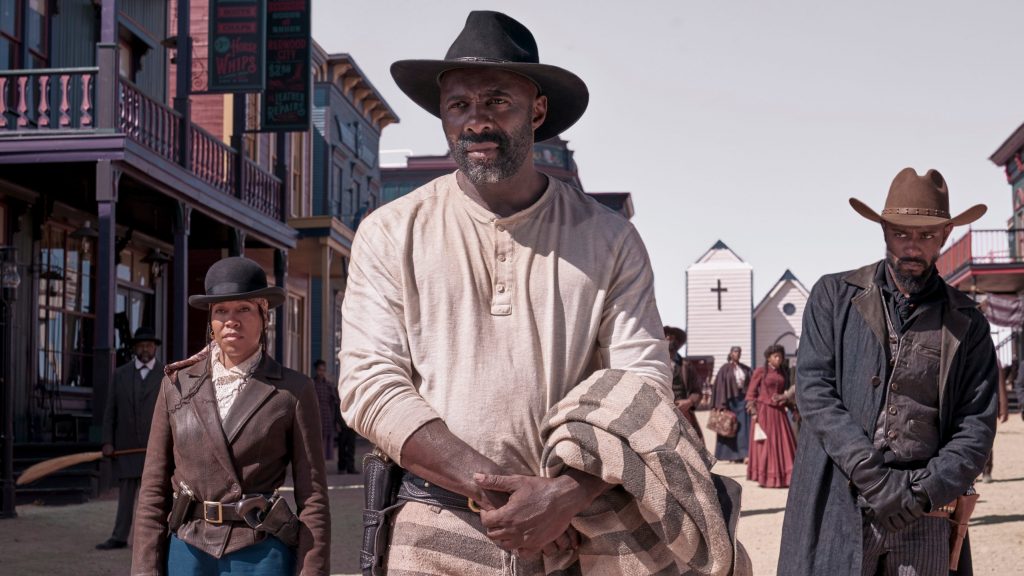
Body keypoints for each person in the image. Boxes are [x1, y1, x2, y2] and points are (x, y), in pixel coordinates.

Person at [340, 11, 741, 575]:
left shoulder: (607, 237)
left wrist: (561, 497)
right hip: (433, 525)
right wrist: (497, 493)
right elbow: (369, 386)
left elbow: (642, 386)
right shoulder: (391, 231)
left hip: (577, 529)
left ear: (537, 110)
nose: (476, 121)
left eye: (497, 101)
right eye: (459, 105)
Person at [778, 168, 998, 576]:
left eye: (926, 236)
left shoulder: (968, 322)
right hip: (840, 503)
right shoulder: (832, 297)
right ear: (883, 231)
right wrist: (875, 479)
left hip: (924, 515)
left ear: (946, 234)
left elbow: (977, 424)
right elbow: (815, 392)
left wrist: (924, 492)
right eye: (901, 233)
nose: (912, 247)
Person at [133, 257, 330, 575]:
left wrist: (312, 570)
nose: (231, 320)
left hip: (260, 550)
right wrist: (145, 570)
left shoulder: (293, 390)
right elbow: (153, 492)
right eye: (221, 310)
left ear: (264, 315)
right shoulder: (176, 385)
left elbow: (314, 498)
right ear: (211, 321)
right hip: (188, 549)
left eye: (244, 309)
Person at [95, 327, 164, 551]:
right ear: (134, 348)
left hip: (155, 448)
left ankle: (157, 539)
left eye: (149, 345)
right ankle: (119, 536)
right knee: (125, 497)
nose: (145, 349)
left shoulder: (166, 374)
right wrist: (107, 441)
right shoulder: (120, 374)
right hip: (126, 447)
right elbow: (110, 411)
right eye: (141, 345)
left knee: (155, 497)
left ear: (155, 348)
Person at [744, 344, 797, 488]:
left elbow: (785, 393)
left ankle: (784, 478)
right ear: (768, 358)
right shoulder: (760, 371)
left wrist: (788, 402)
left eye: (780, 356)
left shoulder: (783, 372)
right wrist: (753, 412)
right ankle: (767, 478)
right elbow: (751, 393)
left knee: (783, 443)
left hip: (779, 413)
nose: (778, 359)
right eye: (775, 356)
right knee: (768, 445)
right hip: (764, 412)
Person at [710, 346, 753, 463]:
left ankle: (744, 454)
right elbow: (719, 387)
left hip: (742, 400)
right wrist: (720, 404)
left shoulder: (745, 368)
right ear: (731, 353)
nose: (737, 354)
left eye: (739, 352)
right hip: (729, 401)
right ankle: (731, 455)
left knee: (744, 429)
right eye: (735, 352)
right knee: (728, 426)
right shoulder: (725, 369)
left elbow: (751, 383)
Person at [665, 326, 704, 440]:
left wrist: (689, 402)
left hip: (684, 414)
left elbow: (697, 391)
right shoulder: (653, 364)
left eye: (671, 337)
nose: (668, 339)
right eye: (666, 336)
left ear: (677, 342)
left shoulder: (686, 365)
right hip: (661, 414)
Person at [980, 359, 1009, 483]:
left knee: (985, 439)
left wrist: (1003, 408)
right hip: (965, 404)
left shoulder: (993, 359)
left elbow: (1000, 385)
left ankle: (986, 471)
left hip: (987, 405)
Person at [311, 359, 341, 466]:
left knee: (326, 440)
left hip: (327, 415)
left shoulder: (329, 385)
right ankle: (316, 463)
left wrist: (335, 419)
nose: (321, 372)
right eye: (320, 370)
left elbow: (334, 402)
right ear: (316, 370)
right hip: (316, 415)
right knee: (317, 440)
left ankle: (322, 464)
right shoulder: (312, 384)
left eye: (323, 370)